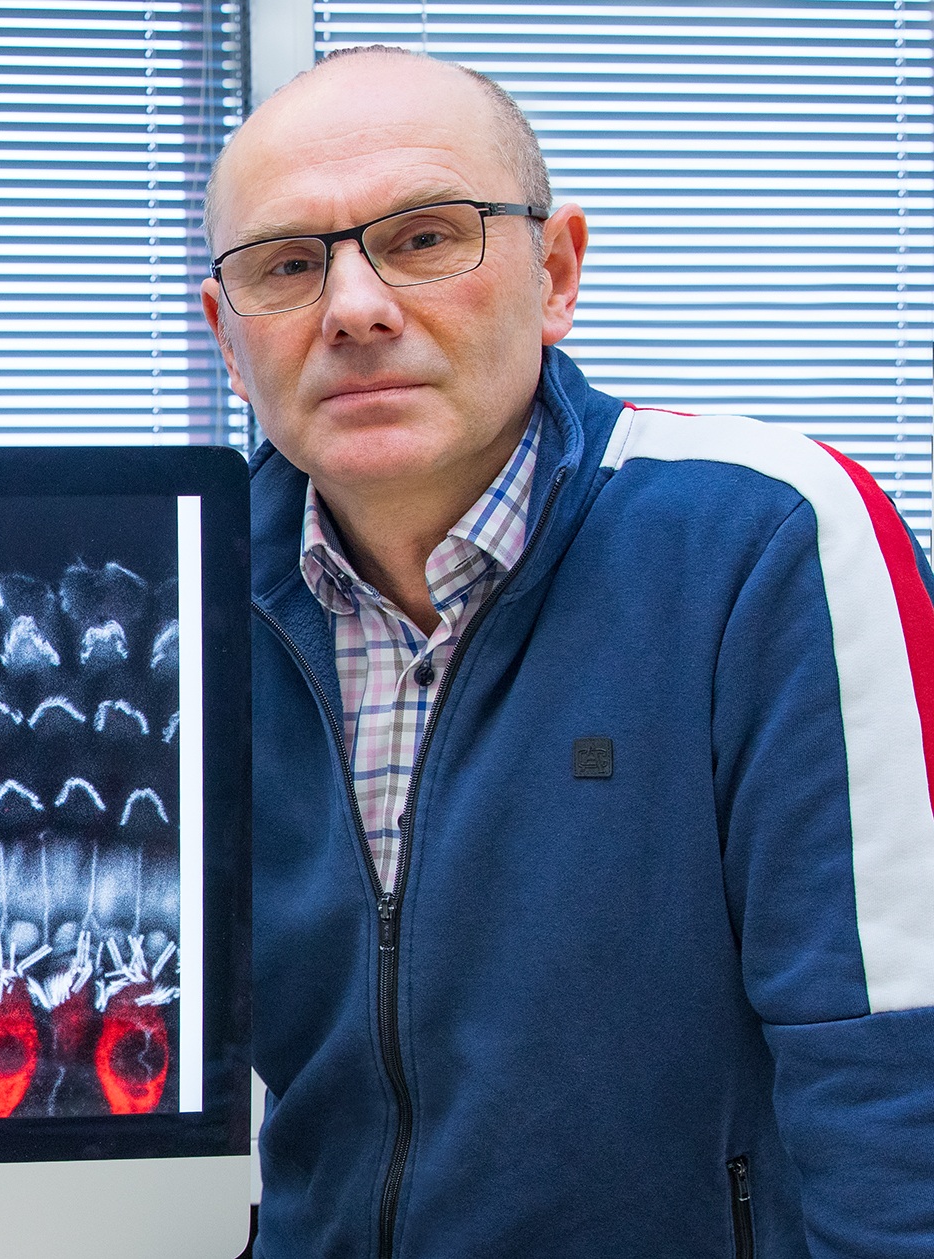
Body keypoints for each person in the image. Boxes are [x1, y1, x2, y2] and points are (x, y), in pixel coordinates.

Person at [203, 46, 934, 1258]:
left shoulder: (764, 534)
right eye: (286, 265)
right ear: (227, 339)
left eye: (425, 236)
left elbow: (892, 1054)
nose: (353, 307)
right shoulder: (190, 604)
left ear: (553, 273)